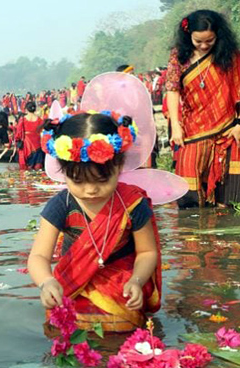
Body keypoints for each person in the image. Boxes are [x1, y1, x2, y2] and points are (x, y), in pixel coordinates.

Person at [27, 112, 162, 333]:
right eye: (78, 181)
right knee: (62, 324)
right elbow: (39, 256)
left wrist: (137, 281)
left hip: (123, 285)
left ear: (119, 166)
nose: (90, 190)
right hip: (73, 285)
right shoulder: (61, 205)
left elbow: (147, 252)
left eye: (101, 180)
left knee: (123, 323)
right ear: (64, 171)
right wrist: (47, 282)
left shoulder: (132, 204)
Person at [165, 9, 240, 208]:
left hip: (230, 129)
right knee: (189, 200)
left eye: (209, 41)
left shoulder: (231, 55)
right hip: (193, 130)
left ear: (218, 35)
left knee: (232, 202)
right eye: (198, 41)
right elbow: (172, 90)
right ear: (188, 35)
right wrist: (176, 126)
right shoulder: (179, 56)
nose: (204, 45)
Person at [13, 101, 45, 170]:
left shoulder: (23, 119)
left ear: (26, 109)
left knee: (25, 166)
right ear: (35, 109)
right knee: (37, 166)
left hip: (26, 143)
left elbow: (18, 132)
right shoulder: (39, 119)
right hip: (37, 142)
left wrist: (17, 140)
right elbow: (42, 131)